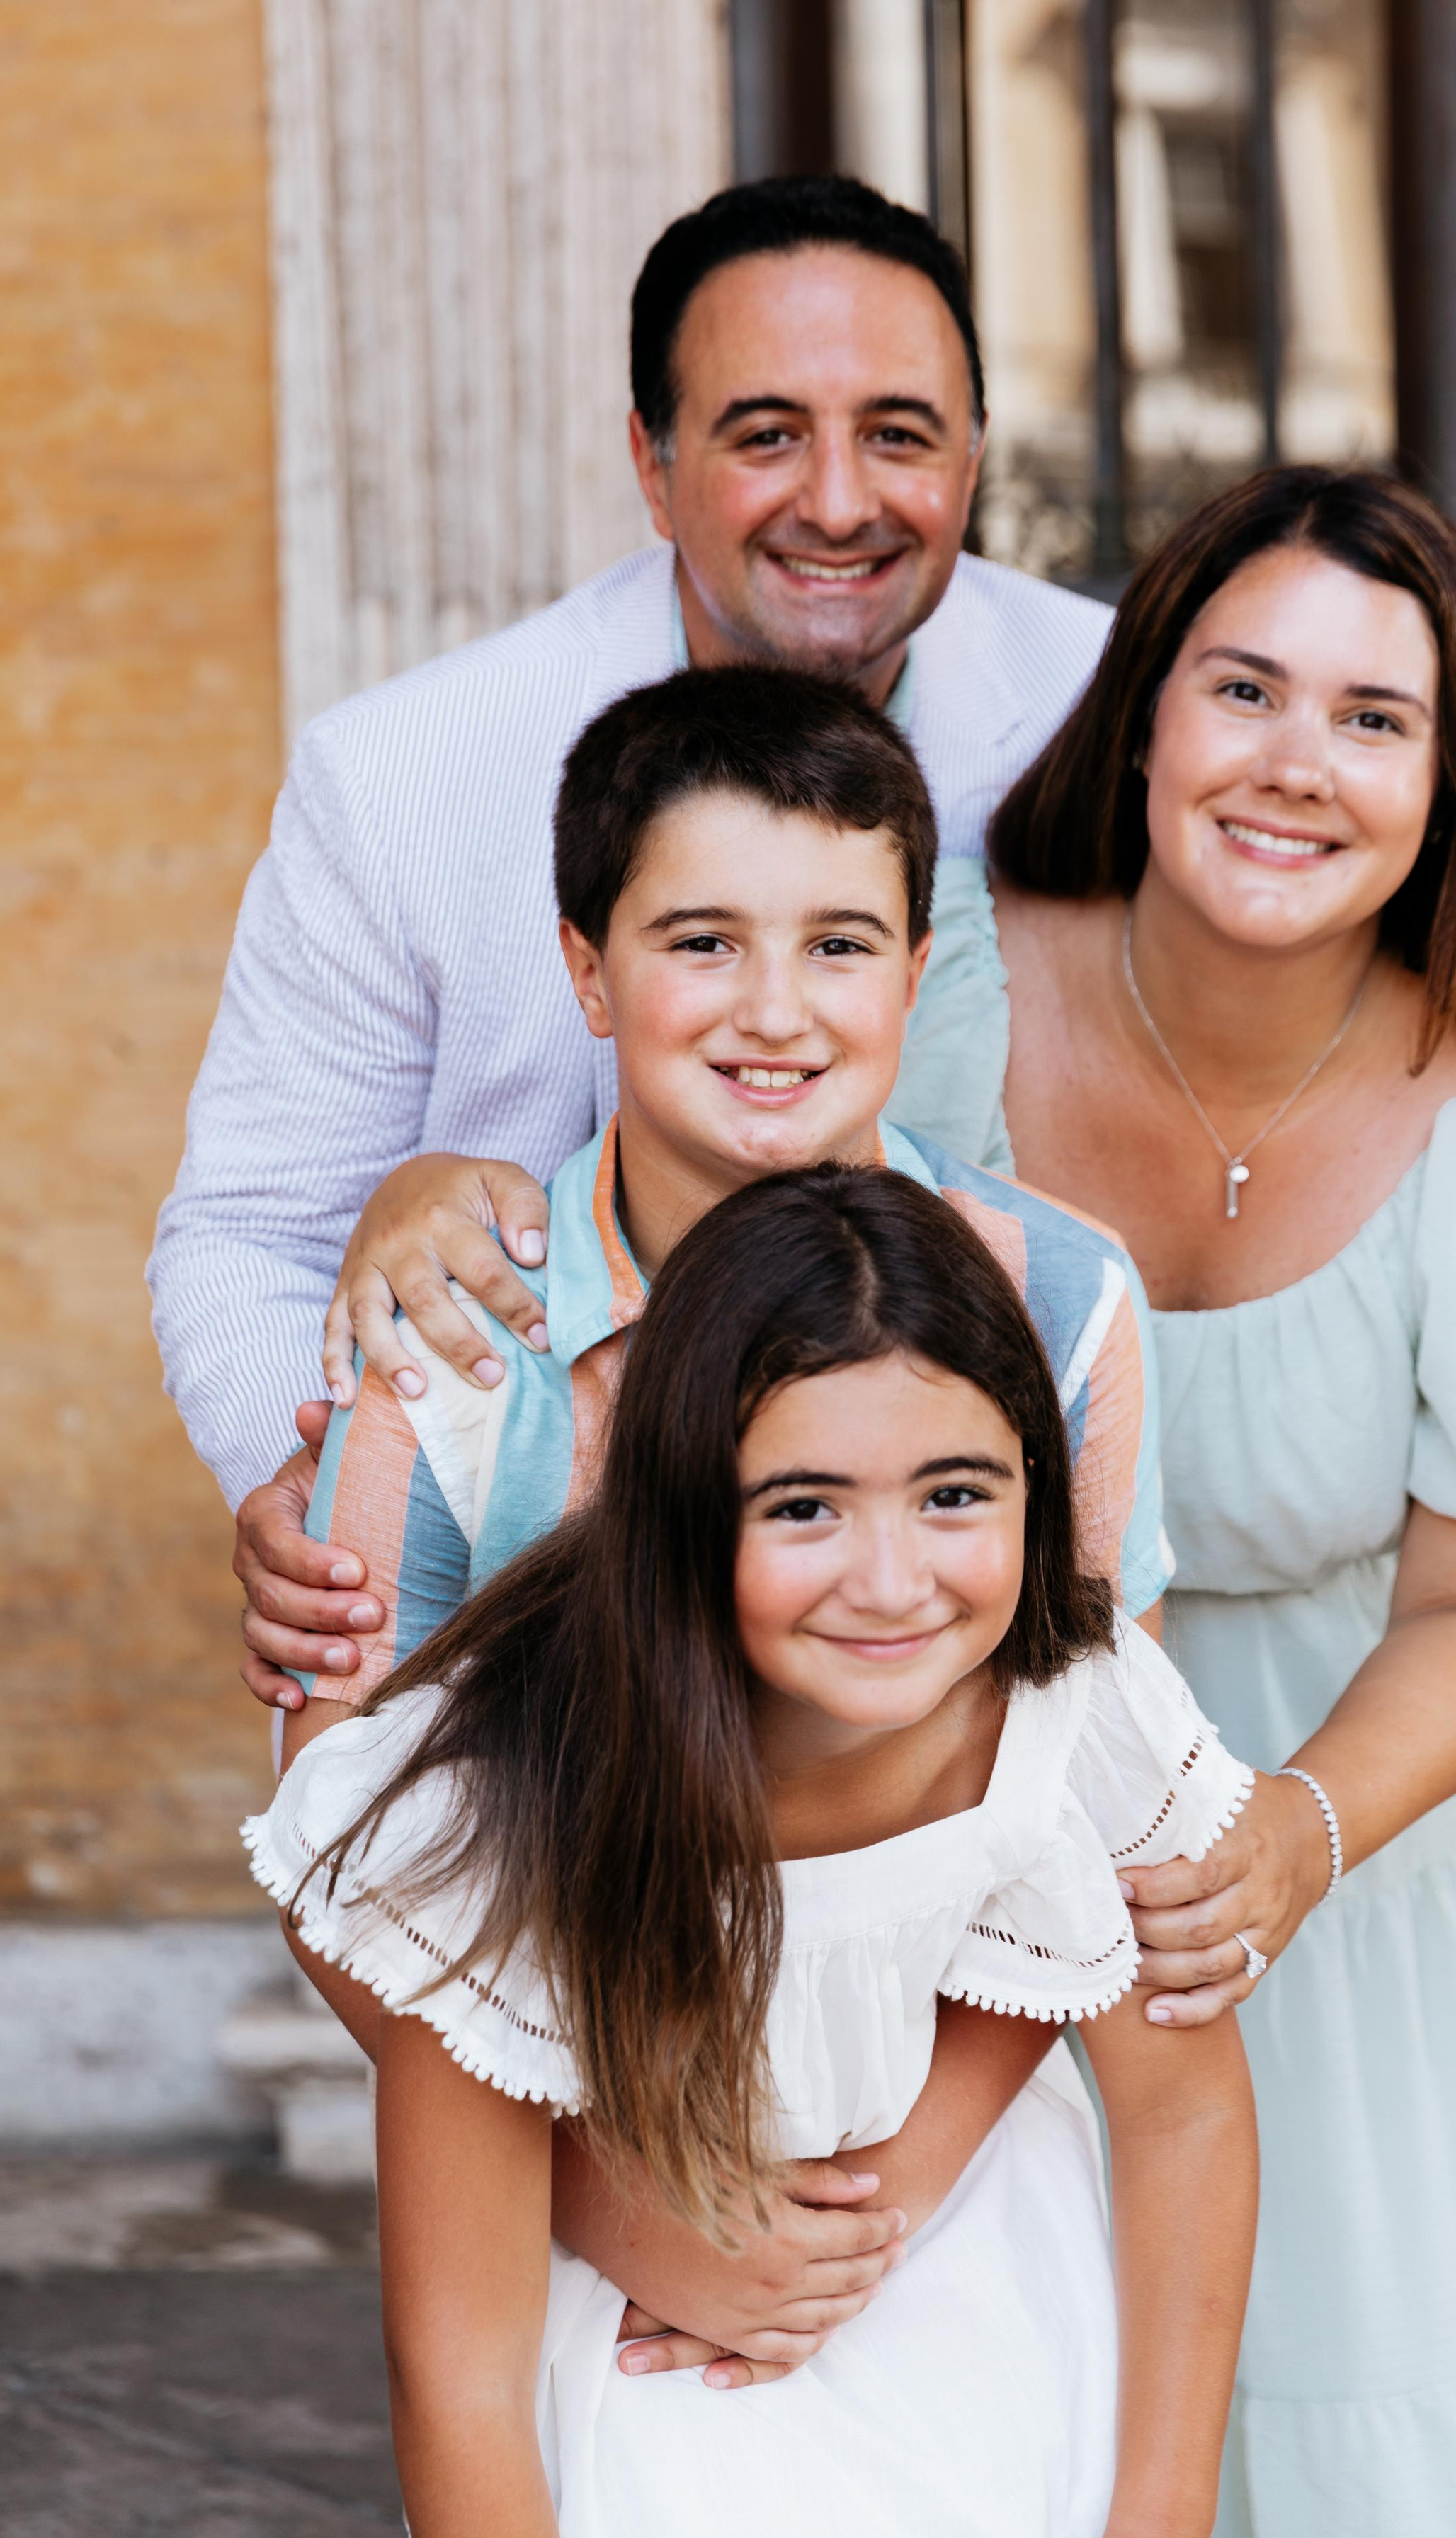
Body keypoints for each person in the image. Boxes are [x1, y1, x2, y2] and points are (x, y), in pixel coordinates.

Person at [147, 173, 1456, 1712]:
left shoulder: (1124, 699)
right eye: (763, 435)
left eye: (898, 436)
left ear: (975, 455)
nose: (837, 502)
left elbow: (1410, 959)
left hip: (947, 1618)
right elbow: (243, 1231)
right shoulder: (402, 776)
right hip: (544, 1629)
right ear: (649, 464)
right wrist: (311, 1485)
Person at [884, 465, 1456, 2536]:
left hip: (1383, 1836)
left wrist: (1290, 1836)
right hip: (996, 1840)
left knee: (1376, 2416)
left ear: (1455, 782)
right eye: (1244, 689)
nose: (1294, 765)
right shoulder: (941, 993)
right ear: (1147, 712)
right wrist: (437, 1197)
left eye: (1375, 719)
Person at [281, 660, 1180, 2395]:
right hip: (571, 2166)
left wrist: (881, 2197)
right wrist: (617, 2204)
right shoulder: (460, 1332)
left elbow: (1076, 1790)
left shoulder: (1056, 1298)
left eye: (839, 944)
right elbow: (338, 1853)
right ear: (583, 971)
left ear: (920, 972)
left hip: (956, 2146)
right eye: (701, 941)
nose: (775, 1009)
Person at [249, 1163, 1260, 2537]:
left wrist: (1162, 2505)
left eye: (954, 1494)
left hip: (998, 2291)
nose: (892, 1582)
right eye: (801, 1507)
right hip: (655, 2354)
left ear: (1035, 1474)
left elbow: (1181, 2105)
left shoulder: (1074, 1707)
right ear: (679, 1505)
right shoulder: (514, 1797)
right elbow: (459, 2378)